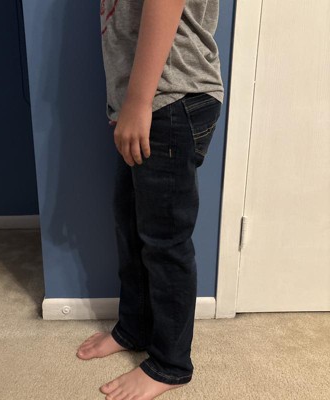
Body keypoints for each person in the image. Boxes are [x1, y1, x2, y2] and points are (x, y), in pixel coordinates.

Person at [77, 0, 224, 399]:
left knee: (165, 242)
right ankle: (134, 328)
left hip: (169, 97)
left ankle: (170, 365)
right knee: (131, 227)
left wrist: (139, 102)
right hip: (148, 101)